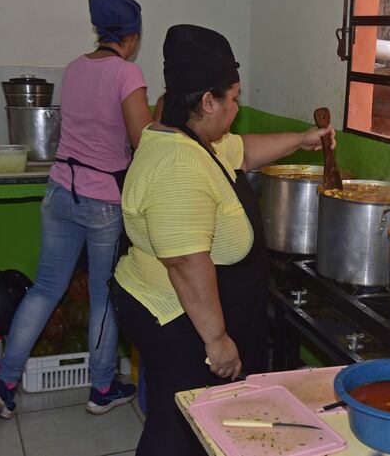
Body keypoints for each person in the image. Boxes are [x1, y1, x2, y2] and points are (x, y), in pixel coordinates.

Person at [110, 24, 336, 456]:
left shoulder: (188, 137)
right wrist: (217, 341)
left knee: (184, 417)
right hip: (176, 316)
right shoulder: (178, 164)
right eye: (232, 98)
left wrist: (301, 139)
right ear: (207, 101)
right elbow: (185, 263)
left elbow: (244, 151)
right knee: (178, 429)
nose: (236, 107)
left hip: (169, 304)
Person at [0, 0, 153, 419]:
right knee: (102, 296)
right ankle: (102, 387)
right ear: (132, 36)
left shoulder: (74, 68)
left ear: (99, 29)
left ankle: (4, 384)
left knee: (44, 290)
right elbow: (143, 141)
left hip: (60, 191)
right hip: (102, 201)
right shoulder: (127, 74)